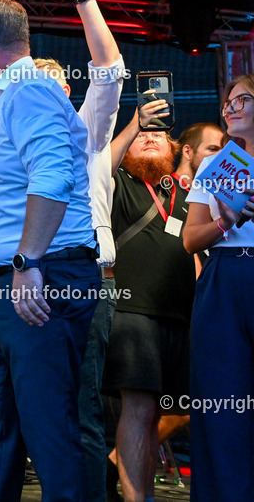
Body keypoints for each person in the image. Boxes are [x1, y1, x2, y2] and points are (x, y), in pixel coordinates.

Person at [0, 0, 100, 501]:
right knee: (0, 436)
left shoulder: (27, 91)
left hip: (42, 280)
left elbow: (53, 177)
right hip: (13, 283)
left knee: (49, 433)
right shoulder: (10, 96)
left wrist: (26, 261)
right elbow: (13, 191)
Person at [31, 0, 127, 502]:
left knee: (83, 411)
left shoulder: (85, 126)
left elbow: (110, 69)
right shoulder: (16, 144)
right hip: (29, 282)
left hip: (84, 279)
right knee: (44, 412)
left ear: (66, 90)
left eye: (49, 83)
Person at [102, 123, 194, 502]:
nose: (150, 136)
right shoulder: (117, 182)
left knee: (174, 411)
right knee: (139, 409)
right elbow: (94, 167)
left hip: (184, 316)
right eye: (141, 135)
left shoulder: (186, 194)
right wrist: (132, 125)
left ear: (175, 150)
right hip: (132, 312)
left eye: (158, 134)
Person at [182, 75, 254, 502]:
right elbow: (191, 239)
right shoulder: (215, 165)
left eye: (242, 99)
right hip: (224, 279)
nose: (230, 108)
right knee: (224, 403)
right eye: (227, 102)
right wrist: (226, 220)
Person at [174, 122, 224, 190]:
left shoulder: (212, 197)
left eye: (223, 153)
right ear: (187, 152)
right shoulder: (163, 193)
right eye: (213, 149)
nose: (222, 158)